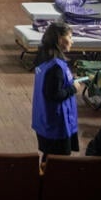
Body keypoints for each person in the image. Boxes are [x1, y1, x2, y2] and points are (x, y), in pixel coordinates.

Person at [31, 22, 86, 158]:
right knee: (56, 161)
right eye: (70, 37)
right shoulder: (56, 67)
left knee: (48, 156)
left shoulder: (43, 56)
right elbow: (54, 94)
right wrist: (73, 88)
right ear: (60, 39)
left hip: (44, 118)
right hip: (57, 124)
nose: (72, 41)